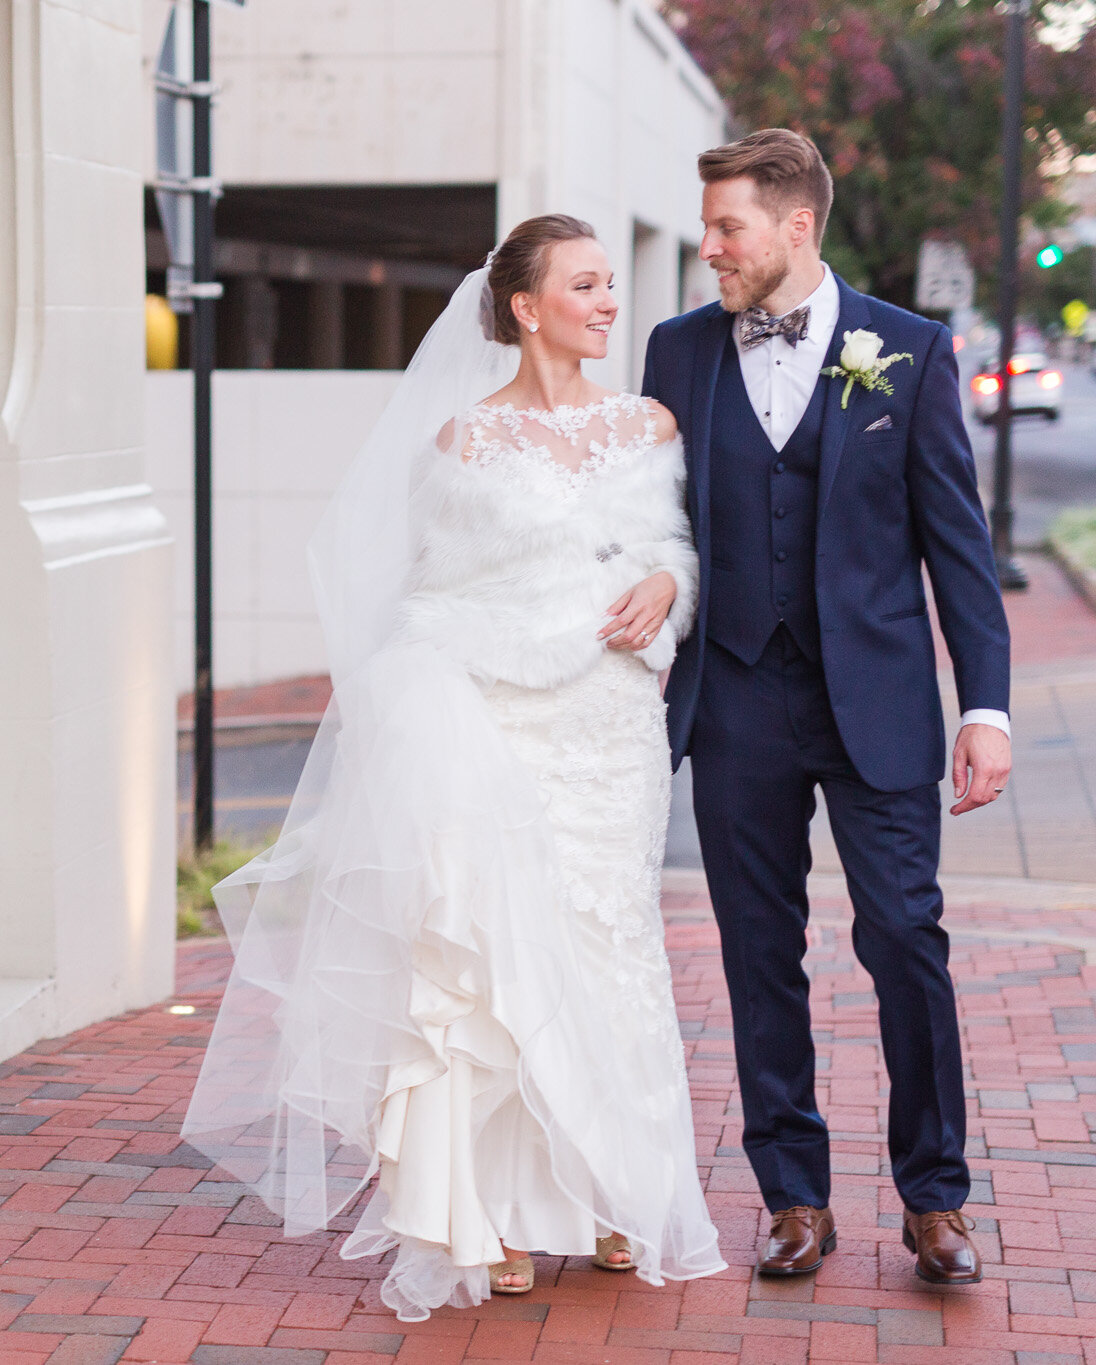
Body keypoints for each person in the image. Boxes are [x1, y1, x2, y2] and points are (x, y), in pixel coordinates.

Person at [182, 213, 726, 1321]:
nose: (607, 303)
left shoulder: (648, 424)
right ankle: (496, 1212)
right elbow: (423, 601)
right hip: (499, 729)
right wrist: (427, 718)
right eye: (584, 285)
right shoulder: (463, 444)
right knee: (493, 956)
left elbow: (671, 546)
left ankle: (617, 1191)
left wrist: (668, 589)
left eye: (607, 284)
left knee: (608, 946)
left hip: (610, 727)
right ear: (527, 307)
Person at [642, 129, 1011, 1286]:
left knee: (903, 936)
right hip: (734, 695)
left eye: (727, 229)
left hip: (878, 698)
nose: (709, 250)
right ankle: (792, 1194)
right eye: (705, 230)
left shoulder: (907, 351)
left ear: (796, 225)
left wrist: (985, 707)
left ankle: (933, 1200)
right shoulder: (676, 352)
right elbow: (646, 519)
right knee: (757, 952)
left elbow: (956, 545)